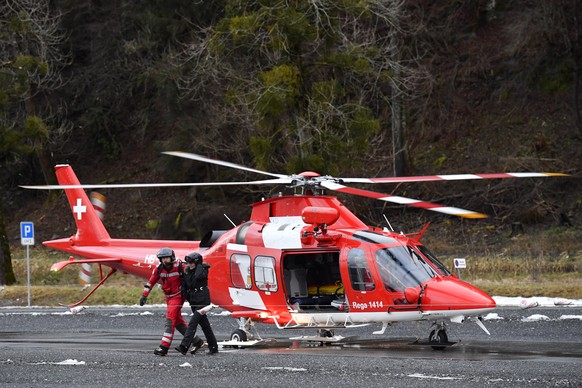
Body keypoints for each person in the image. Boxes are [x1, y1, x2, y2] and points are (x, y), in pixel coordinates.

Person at [139, 247, 203, 356]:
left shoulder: (180, 266)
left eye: (167, 258)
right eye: (162, 258)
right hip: (168, 297)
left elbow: (193, 275)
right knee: (178, 322)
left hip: (178, 296)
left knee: (170, 321)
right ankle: (197, 341)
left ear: (172, 257)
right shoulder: (159, 269)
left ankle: (164, 347)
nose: (165, 260)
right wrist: (144, 295)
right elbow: (150, 282)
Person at [174, 252, 218, 356]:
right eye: (189, 262)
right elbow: (185, 286)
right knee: (205, 325)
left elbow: (198, 277)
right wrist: (188, 297)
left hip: (203, 301)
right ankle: (213, 347)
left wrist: (199, 265)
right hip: (194, 301)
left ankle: (184, 346)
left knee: (193, 323)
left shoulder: (202, 270)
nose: (190, 264)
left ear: (197, 263)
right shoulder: (187, 272)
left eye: (192, 262)